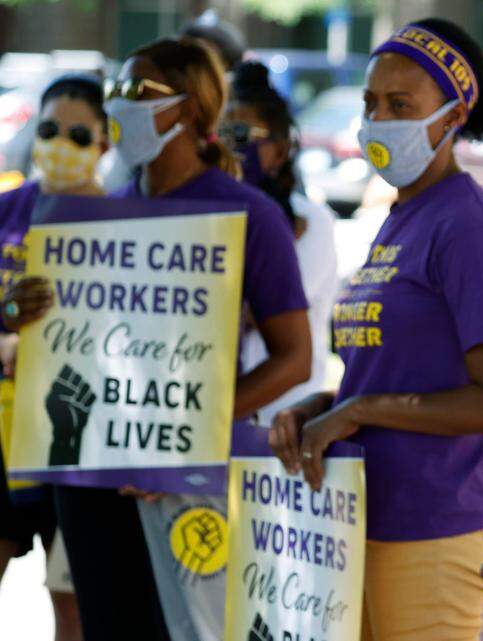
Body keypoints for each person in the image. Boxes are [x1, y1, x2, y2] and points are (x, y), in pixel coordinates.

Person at [267, 18, 483, 641]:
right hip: (362, 519)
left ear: (452, 116)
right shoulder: (402, 215)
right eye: (370, 103)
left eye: (400, 105)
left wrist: (360, 410)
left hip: (437, 531)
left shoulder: (470, 226)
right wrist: (324, 404)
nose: (377, 119)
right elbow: (401, 374)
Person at [53, 37, 310, 641]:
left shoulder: (250, 214)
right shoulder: (100, 214)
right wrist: (21, 310)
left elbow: (295, 358)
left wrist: (190, 435)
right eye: (115, 90)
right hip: (94, 477)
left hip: (186, 477)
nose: (119, 105)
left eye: (138, 92)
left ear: (192, 109)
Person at [0, 73, 108, 641]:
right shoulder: (7, 209)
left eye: (77, 135)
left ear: (105, 144)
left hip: (81, 439)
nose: (59, 144)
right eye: (48, 129)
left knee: (71, 601)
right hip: (4, 429)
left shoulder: (126, 224)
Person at [225, 60, 338, 422]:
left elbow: (259, 313)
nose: (226, 148)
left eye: (240, 136)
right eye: (215, 136)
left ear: (280, 148)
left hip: (283, 422)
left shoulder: (312, 223)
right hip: (221, 420)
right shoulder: (207, 218)